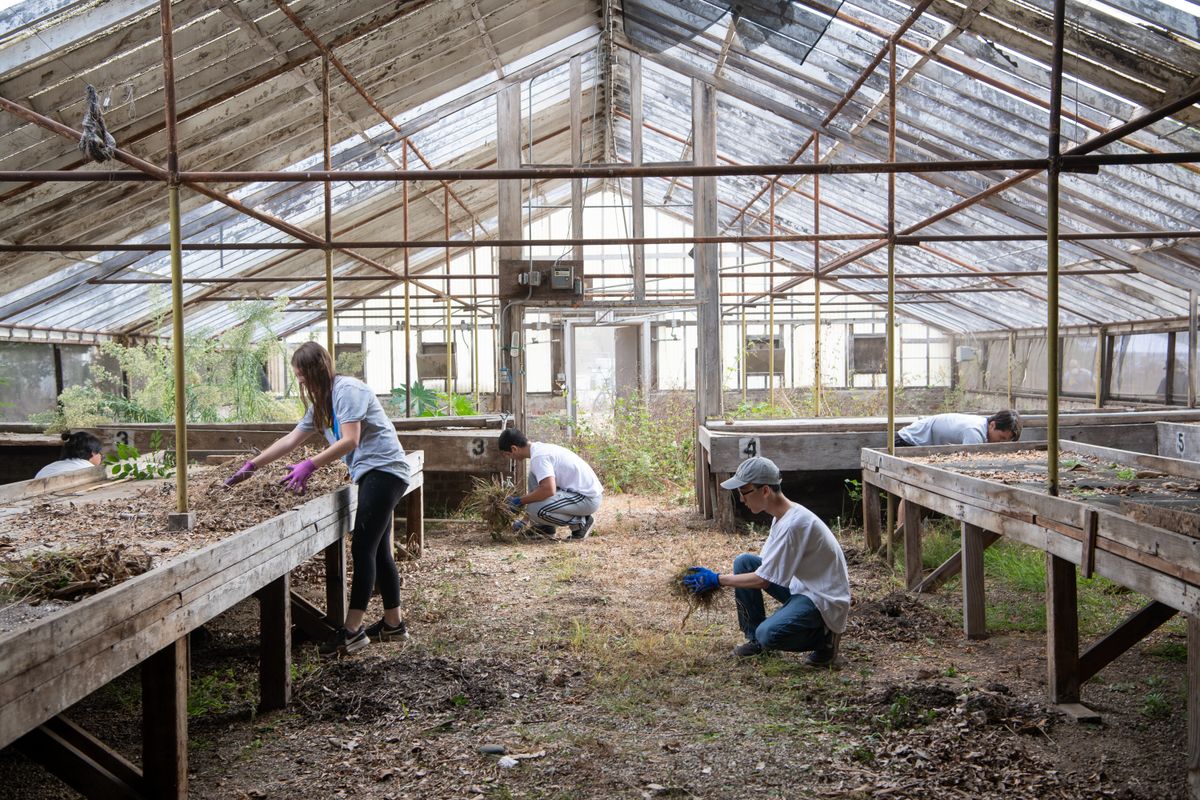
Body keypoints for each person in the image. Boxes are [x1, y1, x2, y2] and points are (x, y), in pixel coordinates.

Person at [223, 342, 411, 657]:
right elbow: (291, 439)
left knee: (363, 545)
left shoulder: (346, 391)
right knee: (377, 549)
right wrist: (253, 466)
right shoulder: (323, 403)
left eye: (302, 376)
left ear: (316, 370)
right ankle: (394, 624)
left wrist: (310, 465)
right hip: (373, 474)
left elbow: (350, 440)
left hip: (384, 470)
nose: (300, 383)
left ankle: (352, 631)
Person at [684, 456, 850, 666]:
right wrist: (719, 578)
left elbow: (762, 580)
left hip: (822, 598)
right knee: (744, 562)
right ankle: (754, 639)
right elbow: (766, 568)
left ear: (764, 490)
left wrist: (717, 579)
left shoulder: (794, 525)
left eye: (744, 492)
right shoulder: (781, 517)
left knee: (769, 634)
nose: (742, 499)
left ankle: (825, 640)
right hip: (802, 587)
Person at [497, 428, 602, 540]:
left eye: (507, 455)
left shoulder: (539, 457)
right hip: (576, 494)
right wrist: (525, 521)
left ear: (514, 448)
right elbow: (540, 492)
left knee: (535, 510)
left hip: (587, 499)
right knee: (534, 477)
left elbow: (549, 490)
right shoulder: (538, 450)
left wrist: (519, 501)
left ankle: (581, 523)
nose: (510, 458)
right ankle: (545, 527)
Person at [894, 409, 1021, 449]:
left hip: (915, 441)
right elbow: (969, 464)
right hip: (907, 442)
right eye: (1001, 438)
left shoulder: (980, 424)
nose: (1001, 443)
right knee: (911, 489)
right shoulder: (975, 433)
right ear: (992, 425)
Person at [35, 431, 103, 478]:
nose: (101, 456)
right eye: (99, 452)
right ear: (93, 453)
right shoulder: (91, 470)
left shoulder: (47, 468)